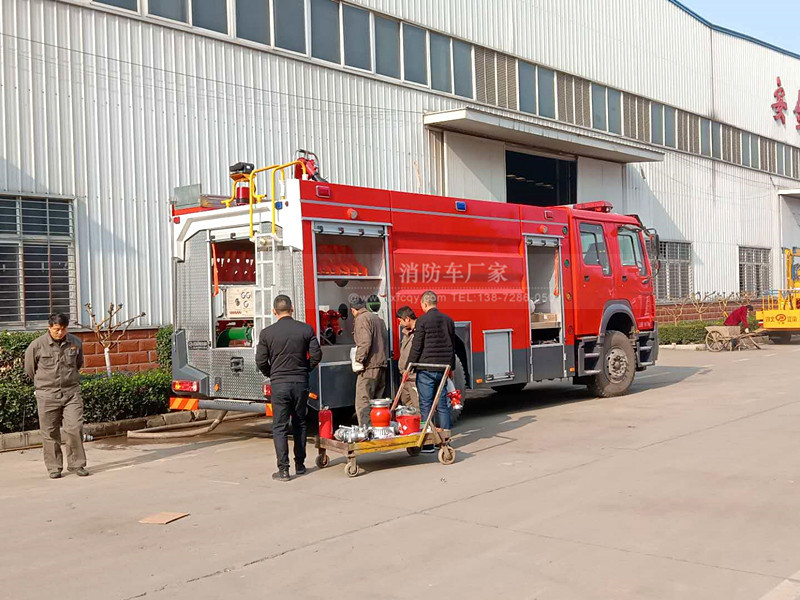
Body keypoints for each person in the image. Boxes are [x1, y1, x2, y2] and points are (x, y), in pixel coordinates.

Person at [256, 295, 322, 482]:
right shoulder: (306, 329)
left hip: (279, 384)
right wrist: (305, 369)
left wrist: (272, 373)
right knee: (300, 423)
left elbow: (260, 360)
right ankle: (300, 465)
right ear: (292, 309)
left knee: (280, 427)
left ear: (274, 312)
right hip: (300, 382)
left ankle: (283, 470)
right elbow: (316, 355)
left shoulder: (267, 333)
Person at [24, 313, 89, 479]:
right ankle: (54, 467)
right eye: (56, 329)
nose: (60, 333)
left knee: (75, 428)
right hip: (47, 394)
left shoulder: (75, 342)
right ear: (49, 328)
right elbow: (30, 370)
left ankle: (77, 464)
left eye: (63, 329)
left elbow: (78, 364)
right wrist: (45, 385)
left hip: (71, 393)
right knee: (50, 432)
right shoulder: (37, 345)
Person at [407, 291, 456, 450]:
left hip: (426, 369)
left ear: (425, 304)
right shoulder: (448, 320)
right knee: (442, 405)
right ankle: (445, 441)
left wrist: (409, 367)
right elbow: (452, 346)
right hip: (442, 369)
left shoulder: (422, 321)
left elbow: (417, 346)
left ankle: (428, 444)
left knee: (426, 405)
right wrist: (451, 367)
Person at [351, 296, 388, 426]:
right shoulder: (378, 319)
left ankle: (366, 430)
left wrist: (358, 360)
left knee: (363, 402)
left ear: (353, 310)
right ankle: (379, 429)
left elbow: (365, 342)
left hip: (369, 367)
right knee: (378, 403)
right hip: (381, 365)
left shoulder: (361, 319)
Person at [396, 306, 419, 410]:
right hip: (406, 375)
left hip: (413, 375)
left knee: (417, 404)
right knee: (407, 404)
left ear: (407, 319)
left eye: (400, 321)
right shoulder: (407, 332)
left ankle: (422, 420)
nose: (400, 324)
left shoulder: (419, 332)